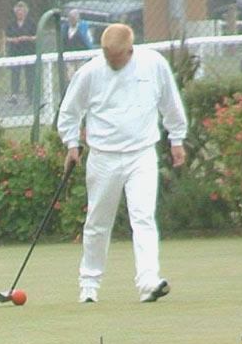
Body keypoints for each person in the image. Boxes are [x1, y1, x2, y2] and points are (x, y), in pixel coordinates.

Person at [57, 22, 187, 304]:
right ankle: (89, 286)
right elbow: (69, 112)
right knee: (97, 222)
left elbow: (170, 103)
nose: (112, 61)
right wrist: (72, 144)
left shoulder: (153, 64)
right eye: (107, 56)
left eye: (117, 56)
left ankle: (148, 282)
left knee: (142, 217)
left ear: (130, 49)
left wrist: (176, 138)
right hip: (103, 156)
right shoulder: (90, 72)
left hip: (142, 153)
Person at [5, 0, 37, 102]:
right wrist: (13, 40)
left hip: (28, 51)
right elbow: (6, 37)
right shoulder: (11, 23)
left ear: (25, 12)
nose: (20, 13)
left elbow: (37, 36)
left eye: (22, 11)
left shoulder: (31, 23)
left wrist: (27, 38)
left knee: (30, 74)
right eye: (18, 11)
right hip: (15, 52)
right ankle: (14, 95)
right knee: (15, 74)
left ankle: (30, 95)